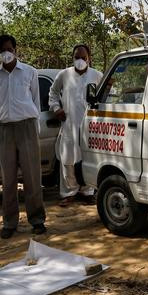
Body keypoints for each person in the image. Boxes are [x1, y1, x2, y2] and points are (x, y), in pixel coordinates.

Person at [0, 34, 47, 239]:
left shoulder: (30, 72)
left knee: (32, 176)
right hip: (6, 128)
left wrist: (35, 126)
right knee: (8, 179)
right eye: (2, 51)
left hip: (27, 126)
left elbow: (35, 101)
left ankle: (37, 219)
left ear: (15, 50)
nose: (6, 54)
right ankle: (9, 222)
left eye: (9, 49)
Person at [49, 44, 103, 207]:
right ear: (73, 58)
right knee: (68, 159)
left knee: (88, 158)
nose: (80, 60)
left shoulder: (97, 75)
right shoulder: (64, 75)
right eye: (77, 57)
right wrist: (57, 109)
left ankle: (87, 191)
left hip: (90, 126)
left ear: (89, 58)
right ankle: (68, 192)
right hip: (69, 124)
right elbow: (53, 93)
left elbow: (107, 96)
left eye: (83, 57)